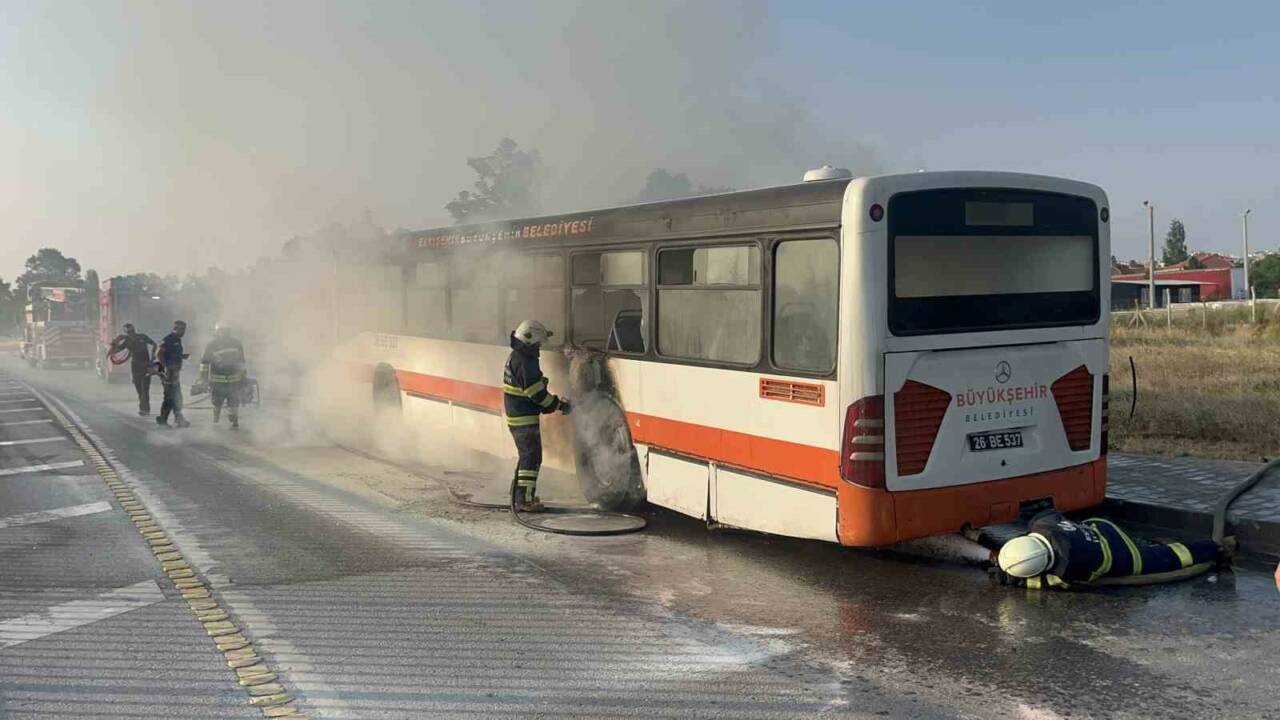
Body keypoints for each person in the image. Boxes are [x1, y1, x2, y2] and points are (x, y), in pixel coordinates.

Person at [997, 510, 1222, 589]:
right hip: (1099, 525)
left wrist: (1018, 580)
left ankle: (1217, 549)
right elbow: (1050, 515)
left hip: (1124, 556)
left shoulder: (1068, 569)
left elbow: (1046, 583)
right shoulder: (1042, 524)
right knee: (1153, 548)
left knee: (1169, 557)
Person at [503, 320, 571, 512]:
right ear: (529, 340)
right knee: (531, 458)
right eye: (538, 343)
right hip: (523, 419)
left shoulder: (517, 356)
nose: (540, 347)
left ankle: (518, 495)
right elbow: (537, 395)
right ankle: (524, 500)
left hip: (518, 416)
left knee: (527, 457)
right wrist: (559, 405)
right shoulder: (525, 361)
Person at [199, 322, 246, 429]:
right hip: (219, 381)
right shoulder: (212, 345)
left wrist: (243, 376)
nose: (224, 334)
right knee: (218, 403)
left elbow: (241, 362)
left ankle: (233, 421)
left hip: (231, 381)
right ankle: (217, 422)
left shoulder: (235, 344)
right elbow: (205, 363)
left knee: (233, 402)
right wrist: (204, 379)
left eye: (226, 332)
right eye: (223, 332)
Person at [109, 323, 157, 416]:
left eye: (131, 331)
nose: (131, 333)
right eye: (128, 332)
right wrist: (114, 343)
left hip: (146, 366)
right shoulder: (127, 341)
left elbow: (154, 344)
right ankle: (144, 408)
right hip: (135, 367)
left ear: (134, 330)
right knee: (139, 389)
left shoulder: (143, 337)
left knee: (145, 389)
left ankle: (144, 409)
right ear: (126, 333)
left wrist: (153, 357)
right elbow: (115, 351)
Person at [156, 320, 190, 428]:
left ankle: (178, 418)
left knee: (177, 397)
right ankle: (163, 419)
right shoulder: (168, 339)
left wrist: (183, 356)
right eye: (182, 329)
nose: (183, 332)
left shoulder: (177, 340)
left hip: (175, 372)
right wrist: (166, 367)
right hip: (169, 373)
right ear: (175, 329)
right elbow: (159, 354)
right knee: (170, 397)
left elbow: (173, 354)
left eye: (184, 329)